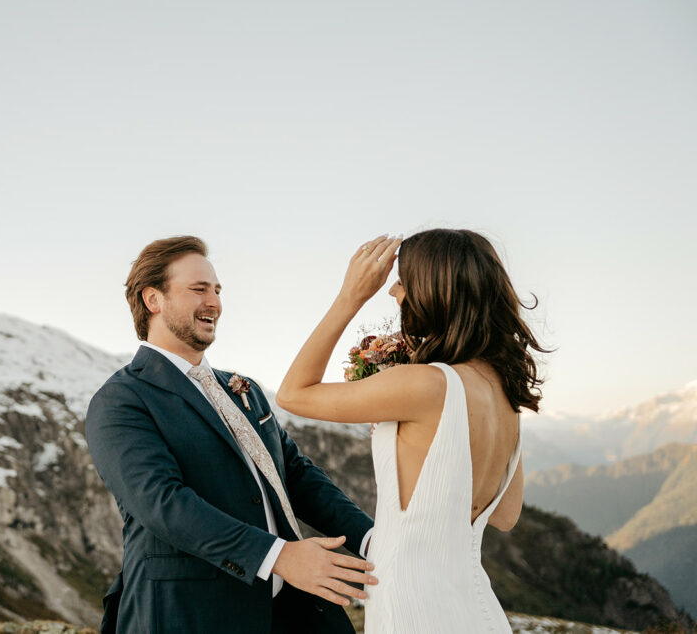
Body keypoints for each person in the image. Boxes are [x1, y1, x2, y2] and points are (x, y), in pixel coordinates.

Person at [86, 236, 377, 634]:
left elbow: (295, 474)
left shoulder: (244, 389)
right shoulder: (121, 400)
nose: (215, 303)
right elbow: (162, 504)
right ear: (153, 299)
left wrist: (371, 539)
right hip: (185, 616)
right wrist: (279, 558)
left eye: (218, 290)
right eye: (199, 289)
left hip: (290, 613)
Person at [277, 230, 545, 633]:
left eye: (402, 280)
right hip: (474, 607)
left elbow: (293, 393)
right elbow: (505, 515)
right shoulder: (506, 394)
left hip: (412, 603)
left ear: (434, 291)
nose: (393, 291)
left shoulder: (425, 384)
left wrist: (350, 296)